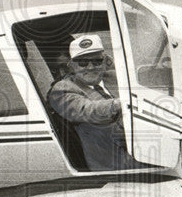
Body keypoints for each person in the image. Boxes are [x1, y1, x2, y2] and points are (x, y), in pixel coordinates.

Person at [47, 34, 146, 171]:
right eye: (82, 63)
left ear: (105, 61)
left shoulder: (118, 77)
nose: (90, 67)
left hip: (145, 147)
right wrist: (123, 103)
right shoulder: (62, 89)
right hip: (116, 163)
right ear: (72, 66)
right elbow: (88, 111)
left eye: (97, 61)